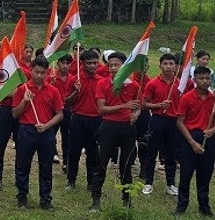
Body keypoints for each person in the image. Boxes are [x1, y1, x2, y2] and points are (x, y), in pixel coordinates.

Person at [12, 57, 65, 209]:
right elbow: (15, 113)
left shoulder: (53, 91)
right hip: (26, 130)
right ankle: (22, 196)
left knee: (46, 166)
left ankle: (46, 198)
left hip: (46, 132)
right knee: (22, 164)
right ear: (31, 71)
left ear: (47, 72)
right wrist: (25, 101)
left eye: (43, 73)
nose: (39, 76)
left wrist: (47, 125)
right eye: (36, 72)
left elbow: (60, 113)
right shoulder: (23, 89)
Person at [94, 51, 141, 210]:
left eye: (117, 65)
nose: (113, 68)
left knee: (126, 166)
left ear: (124, 66)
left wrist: (135, 114)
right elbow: (101, 109)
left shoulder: (133, 85)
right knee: (101, 163)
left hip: (127, 127)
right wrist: (124, 106)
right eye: (110, 65)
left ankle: (126, 199)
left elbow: (137, 106)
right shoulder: (102, 83)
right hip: (108, 126)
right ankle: (96, 199)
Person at [175, 66, 215, 216]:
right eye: (201, 78)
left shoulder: (214, 99)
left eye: (207, 78)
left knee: (205, 175)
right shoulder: (187, 98)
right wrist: (192, 142)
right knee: (186, 174)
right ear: (194, 80)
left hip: (208, 138)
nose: (204, 81)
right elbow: (180, 122)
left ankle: (204, 207)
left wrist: (213, 130)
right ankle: (181, 206)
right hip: (191, 137)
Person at [139, 53, 181, 196]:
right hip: (157, 119)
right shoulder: (152, 83)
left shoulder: (180, 84)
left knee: (171, 153)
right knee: (151, 152)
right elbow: (144, 104)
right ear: (160, 66)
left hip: (173, 122)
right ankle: (148, 182)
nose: (168, 67)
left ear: (175, 66)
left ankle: (170, 184)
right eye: (165, 64)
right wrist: (159, 105)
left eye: (171, 64)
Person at [65, 50, 104, 190]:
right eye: (89, 63)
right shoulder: (74, 80)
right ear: (82, 63)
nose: (93, 66)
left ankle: (91, 182)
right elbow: (66, 102)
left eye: (95, 63)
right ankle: (71, 180)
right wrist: (76, 91)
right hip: (78, 118)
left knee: (93, 152)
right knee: (74, 151)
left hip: (96, 119)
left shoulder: (101, 81)